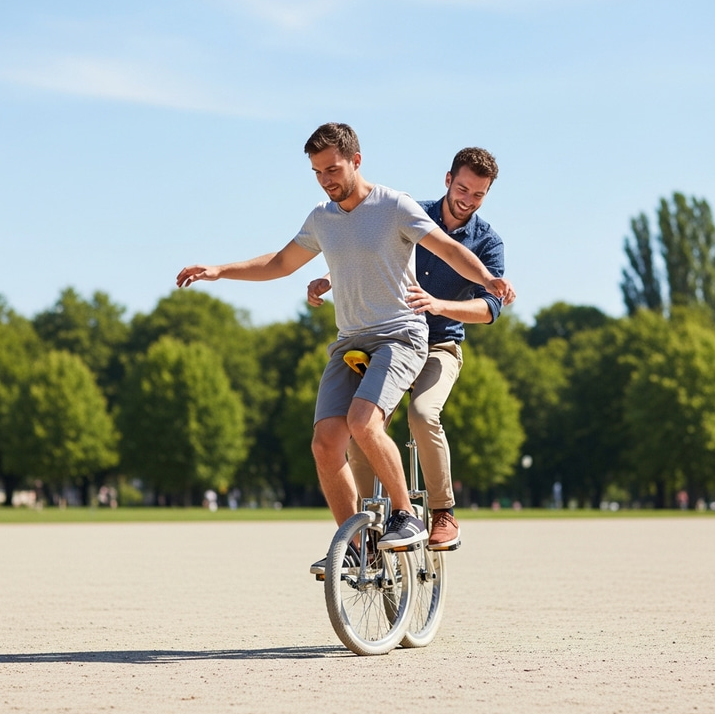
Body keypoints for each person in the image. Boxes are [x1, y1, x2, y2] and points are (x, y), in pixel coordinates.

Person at [176, 123, 515, 571]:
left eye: (332, 169)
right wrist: (221, 270)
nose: (325, 179)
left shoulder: (395, 206)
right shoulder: (323, 218)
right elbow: (281, 262)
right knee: (324, 442)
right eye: (317, 172)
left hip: (402, 334)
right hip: (351, 341)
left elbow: (449, 249)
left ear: (357, 161)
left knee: (370, 420)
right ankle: (357, 546)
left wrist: (487, 280)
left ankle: (409, 514)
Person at [307, 147, 506, 551]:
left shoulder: (487, 241)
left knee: (421, 414)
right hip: (386, 338)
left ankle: (442, 511)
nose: (468, 199)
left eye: (479, 195)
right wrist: (329, 277)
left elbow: (489, 308)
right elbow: (367, 251)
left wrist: (440, 306)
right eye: (463, 188)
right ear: (448, 180)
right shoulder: (412, 211)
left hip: (439, 346)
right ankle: (366, 522)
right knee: (362, 425)